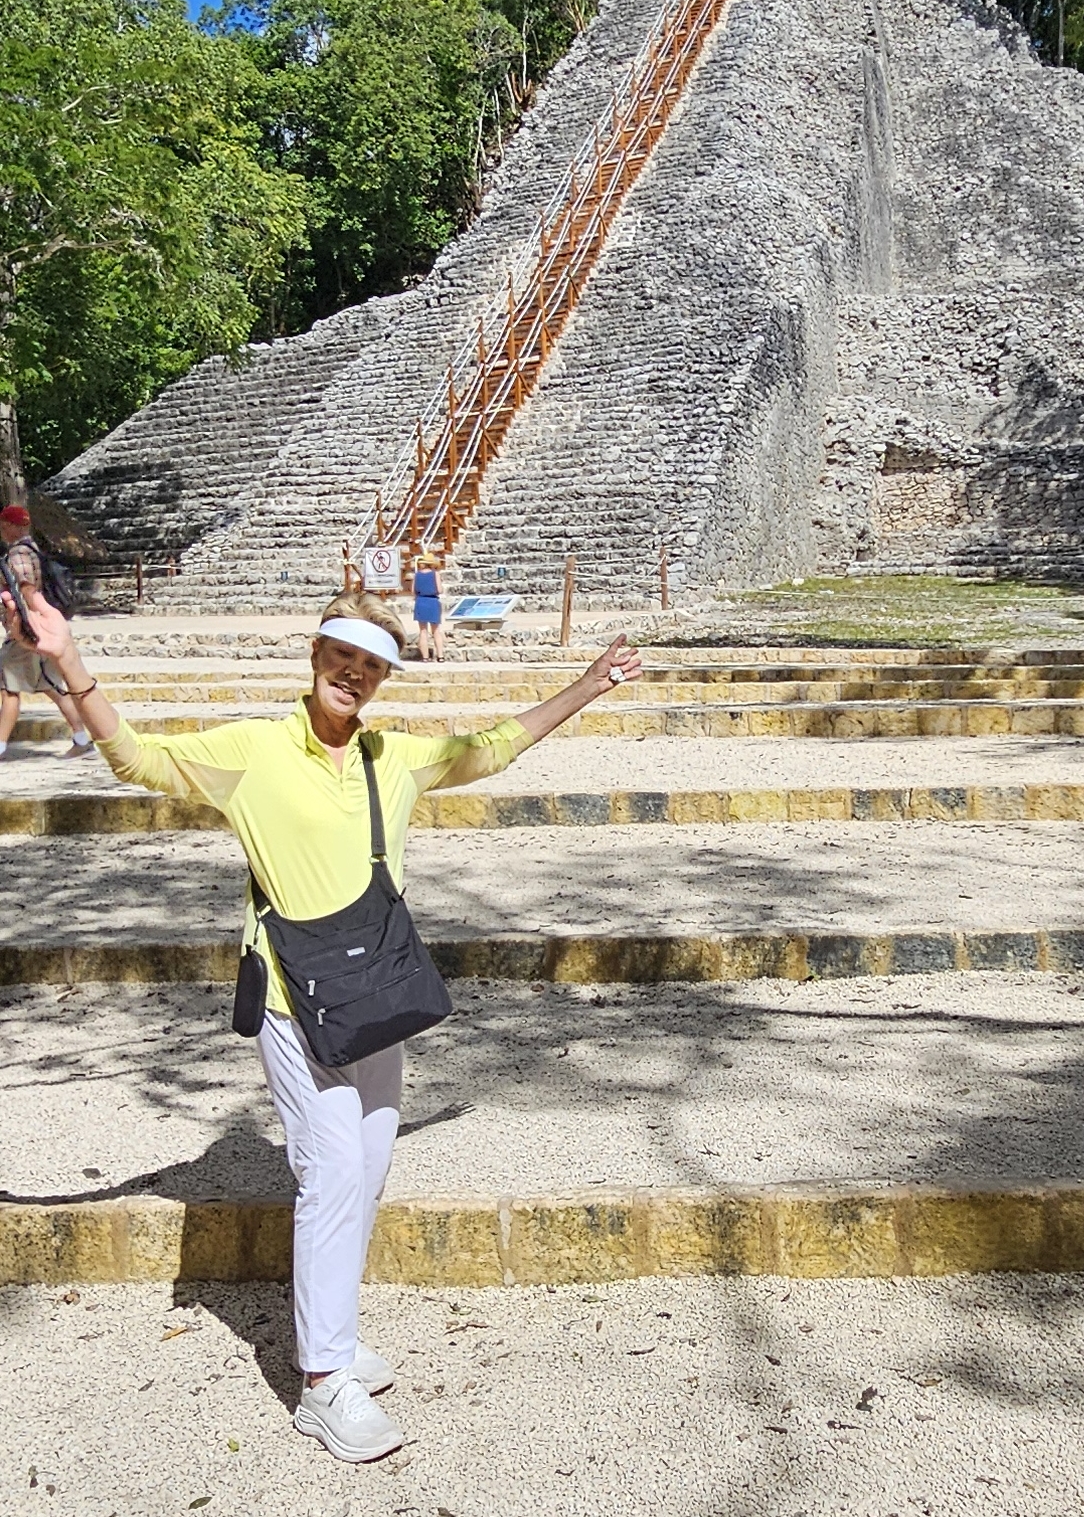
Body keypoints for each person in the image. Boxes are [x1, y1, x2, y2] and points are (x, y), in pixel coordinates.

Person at [0, 579, 641, 1466]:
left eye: (371, 665)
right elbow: (138, 759)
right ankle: (322, 1382)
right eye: (343, 657)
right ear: (315, 655)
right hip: (291, 999)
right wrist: (67, 658)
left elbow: (493, 746)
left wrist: (590, 684)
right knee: (334, 1166)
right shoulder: (255, 750)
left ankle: (332, 1331)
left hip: (375, 996)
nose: (354, 675)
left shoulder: (393, 757)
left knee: (367, 1165)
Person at [0, 504, 94, 762]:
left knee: (8, 688)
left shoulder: (18, 553)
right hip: (38, 630)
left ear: (10, 526)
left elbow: (27, 590)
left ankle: (0, 745)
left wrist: (27, 624)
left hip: (25, 631)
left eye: (4, 526)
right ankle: (81, 739)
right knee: (51, 686)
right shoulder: (34, 549)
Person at [411, 550, 444, 662]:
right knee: (436, 630)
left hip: (421, 601)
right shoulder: (435, 574)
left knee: (423, 631)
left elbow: (413, 591)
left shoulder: (417, 575)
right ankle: (440, 656)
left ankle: (425, 657)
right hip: (432, 601)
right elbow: (439, 590)